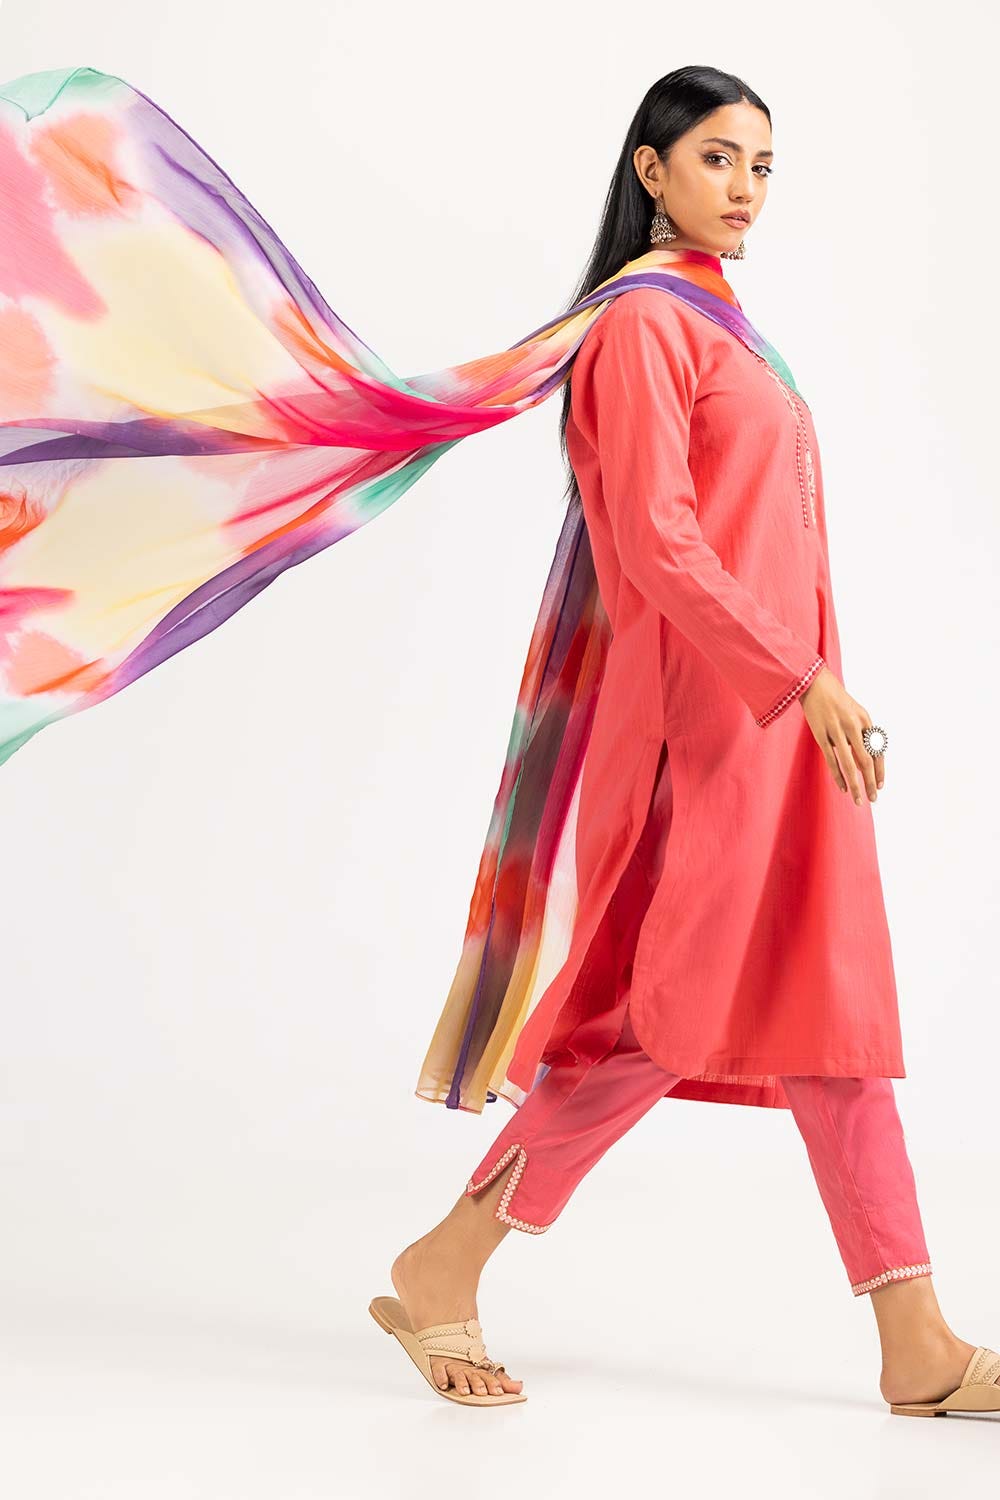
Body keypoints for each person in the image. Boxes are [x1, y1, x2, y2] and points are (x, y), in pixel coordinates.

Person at [372, 66, 1000, 1416]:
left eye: (763, 165)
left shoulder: (723, 320)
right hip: (703, 733)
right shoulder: (641, 325)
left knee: (834, 1016)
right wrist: (799, 681)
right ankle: (441, 1265)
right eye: (718, 158)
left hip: (786, 730)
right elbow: (659, 541)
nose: (746, 188)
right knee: (657, 1019)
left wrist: (814, 693)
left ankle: (919, 1345)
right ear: (651, 169)